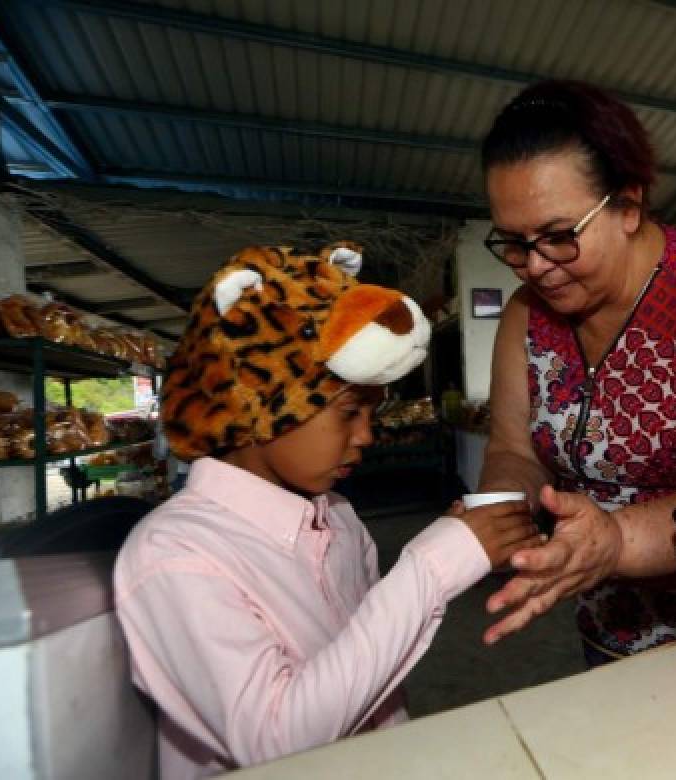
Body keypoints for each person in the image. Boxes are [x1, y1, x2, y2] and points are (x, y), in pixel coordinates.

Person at [115, 244, 538, 778]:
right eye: (349, 412)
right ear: (261, 396)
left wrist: (463, 543)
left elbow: (364, 672)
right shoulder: (175, 557)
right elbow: (277, 741)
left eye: (373, 411)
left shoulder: (337, 517)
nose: (366, 435)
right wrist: (432, 566)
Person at [477, 80, 676, 665]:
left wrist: (615, 541)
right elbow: (513, 448)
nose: (534, 267)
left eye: (559, 237)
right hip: (603, 627)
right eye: (513, 242)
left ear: (629, 205)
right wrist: (495, 507)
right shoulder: (527, 315)